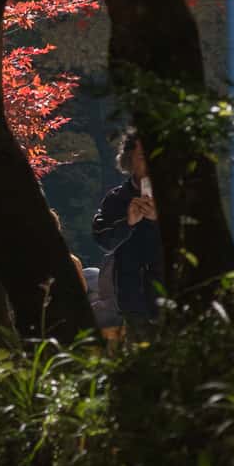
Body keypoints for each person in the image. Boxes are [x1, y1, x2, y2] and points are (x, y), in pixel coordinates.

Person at [89, 134, 165, 334]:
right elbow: (102, 240)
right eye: (142, 157)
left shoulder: (175, 195)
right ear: (129, 159)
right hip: (132, 298)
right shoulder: (117, 198)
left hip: (171, 296)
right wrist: (127, 222)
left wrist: (160, 220)